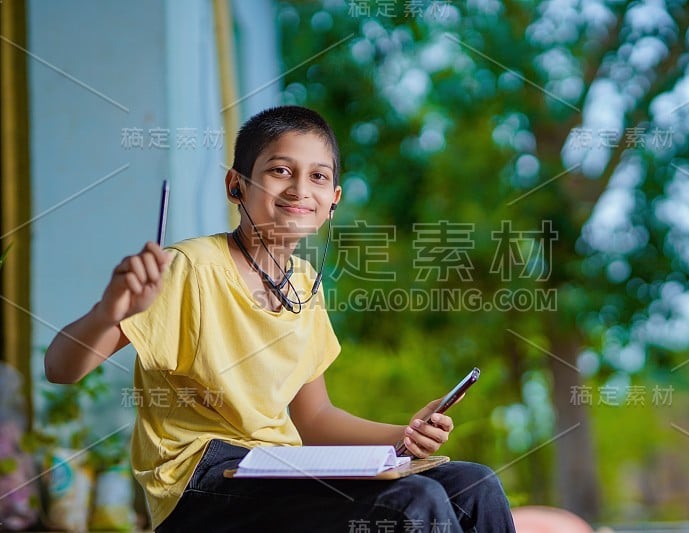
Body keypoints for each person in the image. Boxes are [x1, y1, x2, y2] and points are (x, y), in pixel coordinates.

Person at [44, 106, 516, 532]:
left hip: (279, 464)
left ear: (333, 199)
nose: (298, 189)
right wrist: (112, 310)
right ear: (236, 186)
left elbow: (314, 417)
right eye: (280, 170)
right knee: (412, 502)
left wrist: (403, 436)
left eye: (317, 177)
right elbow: (61, 368)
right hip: (201, 481)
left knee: (473, 486)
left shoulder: (304, 282)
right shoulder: (190, 268)